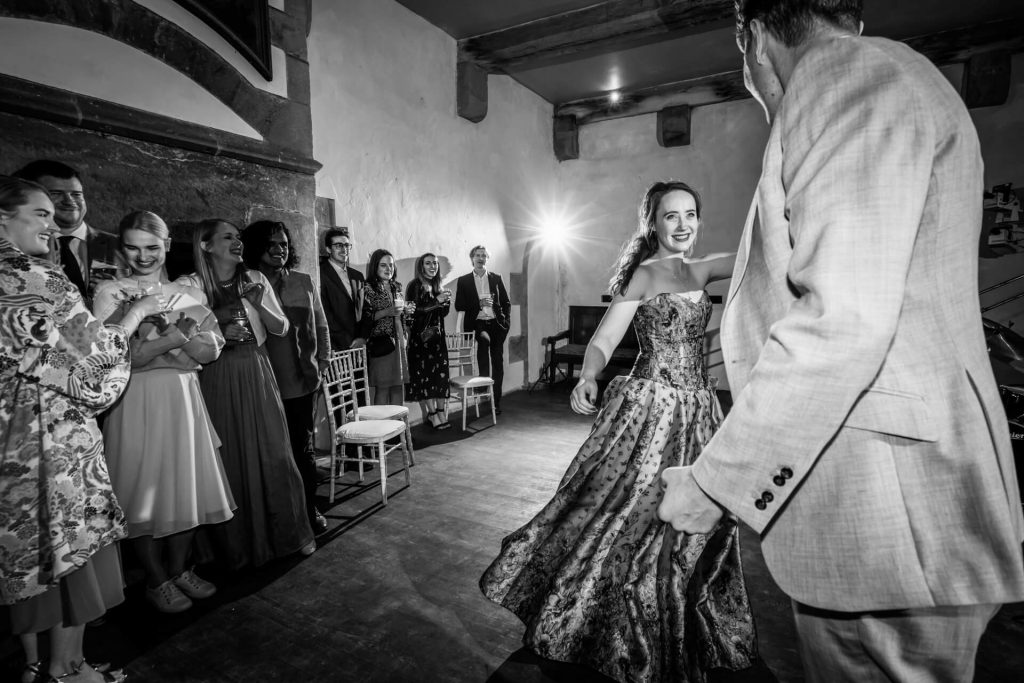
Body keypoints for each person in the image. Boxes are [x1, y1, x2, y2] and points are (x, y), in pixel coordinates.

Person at [657, 2, 1024, 681]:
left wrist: (716, 485)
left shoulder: (840, 79)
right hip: (907, 496)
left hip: (888, 508)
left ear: (755, 40)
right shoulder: (898, 76)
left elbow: (842, 315)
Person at [480, 181, 752, 683]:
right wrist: (588, 374)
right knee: (630, 513)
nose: (682, 224)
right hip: (651, 407)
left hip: (699, 412)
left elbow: (762, 253)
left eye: (690, 214)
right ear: (653, 223)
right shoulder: (644, 276)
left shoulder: (705, 266)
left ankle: (683, 617)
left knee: (699, 524)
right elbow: (605, 337)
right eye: (671, 216)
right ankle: (615, 623)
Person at [1, 176, 164, 683]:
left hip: (9, 433)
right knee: (68, 542)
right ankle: (67, 668)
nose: (53, 225)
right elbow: (89, 358)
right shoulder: (37, 278)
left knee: (28, 550)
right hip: (51, 434)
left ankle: (33, 664)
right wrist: (135, 314)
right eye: (41, 214)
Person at [93, 211, 235, 614]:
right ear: (123, 248)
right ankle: (155, 580)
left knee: (184, 483)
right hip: (135, 399)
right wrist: (175, 339)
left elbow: (209, 352)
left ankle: (179, 570)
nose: (143, 257)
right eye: (134, 248)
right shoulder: (110, 293)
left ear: (168, 245)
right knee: (141, 488)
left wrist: (165, 347)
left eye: (152, 247)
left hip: (183, 397)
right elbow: (118, 360)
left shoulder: (188, 292)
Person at [179, 218, 316, 569]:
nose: (237, 242)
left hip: (256, 367)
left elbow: (282, 327)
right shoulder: (189, 286)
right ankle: (230, 547)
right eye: (228, 237)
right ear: (206, 246)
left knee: (275, 452)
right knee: (227, 456)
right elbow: (181, 335)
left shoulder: (254, 279)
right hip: (214, 374)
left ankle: (289, 535)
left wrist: (261, 303)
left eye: (238, 237)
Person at [242, 219, 331, 535]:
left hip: (301, 379)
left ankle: (309, 509)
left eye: (284, 244)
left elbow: (320, 324)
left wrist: (323, 362)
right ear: (256, 248)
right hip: (262, 381)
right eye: (272, 244)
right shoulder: (246, 282)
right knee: (269, 452)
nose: (280, 250)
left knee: (302, 450)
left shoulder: (304, 281)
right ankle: (274, 516)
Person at [13, 160, 122, 304]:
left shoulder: (121, 246)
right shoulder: (17, 247)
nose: (69, 201)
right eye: (56, 193)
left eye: (76, 194)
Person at [454, 246, 510, 414]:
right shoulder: (464, 280)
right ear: (472, 258)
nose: (480, 258)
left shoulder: (496, 278)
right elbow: (459, 305)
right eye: (477, 255)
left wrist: (506, 322)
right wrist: (478, 304)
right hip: (478, 323)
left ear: (487, 259)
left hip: (496, 324)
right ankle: (484, 389)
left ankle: (496, 401)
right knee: (484, 343)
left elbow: (506, 302)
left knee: (498, 363)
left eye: (483, 256)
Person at [360, 248, 413, 406]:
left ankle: (398, 427)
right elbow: (366, 318)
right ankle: (382, 427)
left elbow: (400, 314)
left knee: (398, 386)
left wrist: (407, 313)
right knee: (383, 388)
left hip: (399, 341)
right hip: (382, 343)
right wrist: (387, 312)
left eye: (391, 265)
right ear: (375, 267)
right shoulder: (368, 288)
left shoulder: (397, 286)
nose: (388, 269)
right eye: (383, 265)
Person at [405, 253, 452, 430]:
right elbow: (413, 313)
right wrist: (436, 301)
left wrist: (445, 303)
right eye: (428, 263)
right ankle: (432, 414)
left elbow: (442, 314)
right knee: (425, 378)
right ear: (421, 266)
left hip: (438, 339)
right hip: (421, 340)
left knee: (440, 378)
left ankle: (441, 411)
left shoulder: (438, 285)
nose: (432, 266)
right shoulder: (415, 285)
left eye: (435, 263)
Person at [320, 227, 365, 352]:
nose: (344, 249)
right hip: (336, 346)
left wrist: (362, 337)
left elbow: (366, 309)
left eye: (346, 245)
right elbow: (324, 313)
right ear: (328, 249)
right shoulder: (320, 274)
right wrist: (347, 341)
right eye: (338, 245)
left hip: (360, 345)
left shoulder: (358, 276)